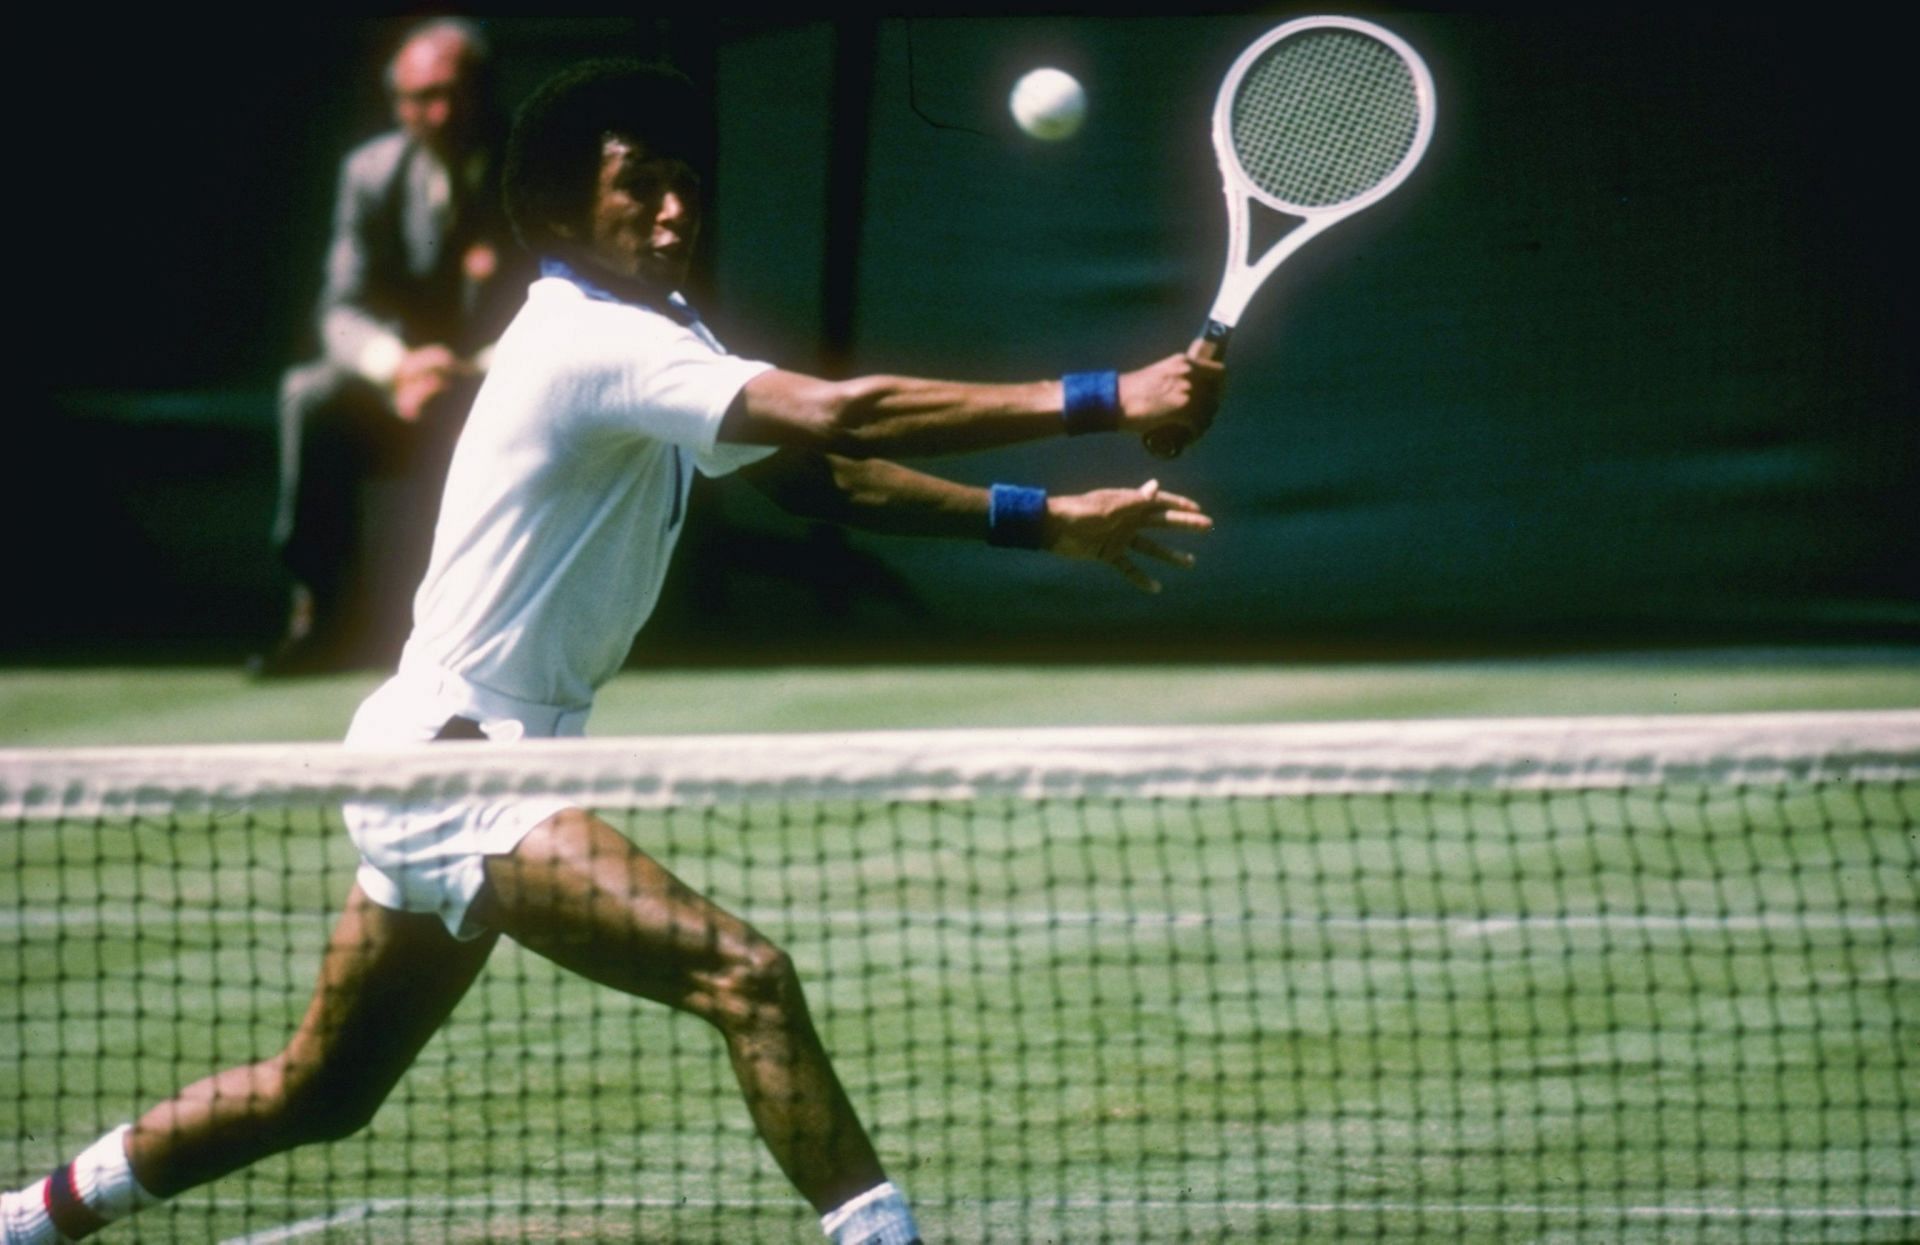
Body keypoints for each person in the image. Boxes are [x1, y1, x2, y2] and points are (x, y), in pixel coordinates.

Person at [3, 60, 1222, 1245]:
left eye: (687, 181)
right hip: (464, 760)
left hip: (446, 752)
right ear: (557, 211)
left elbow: (821, 478)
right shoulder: (591, 342)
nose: (677, 207)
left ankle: (30, 1216)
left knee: (320, 1092)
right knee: (746, 979)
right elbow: (844, 411)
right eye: (640, 183)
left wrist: (1045, 520)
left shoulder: (660, 330)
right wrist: (1106, 393)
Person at [259, 17, 532, 675]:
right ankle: (320, 613)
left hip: (509, 380)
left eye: (452, 94)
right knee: (309, 394)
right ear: (397, 104)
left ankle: (515, 629)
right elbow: (341, 308)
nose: (436, 114)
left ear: (484, 92)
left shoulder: (535, 168)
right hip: (405, 389)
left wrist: (466, 367)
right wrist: (398, 367)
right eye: (418, 98)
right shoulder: (370, 174)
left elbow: (561, 295)